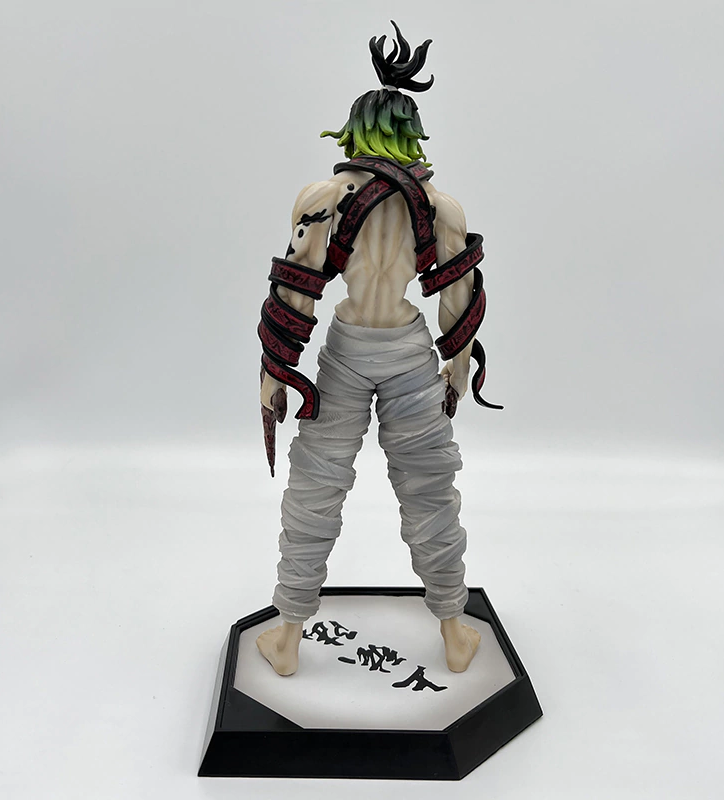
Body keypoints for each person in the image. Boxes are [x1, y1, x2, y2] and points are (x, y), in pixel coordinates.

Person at [256, 23, 500, 677]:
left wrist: (274, 371)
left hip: (349, 349)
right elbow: (459, 301)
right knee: (428, 489)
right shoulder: (440, 208)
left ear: (355, 130)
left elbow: (295, 293)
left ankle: (287, 635)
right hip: (409, 353)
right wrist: (455, 368)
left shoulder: (324, 199)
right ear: (411, 134)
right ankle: (454, 628)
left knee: (317, 486)